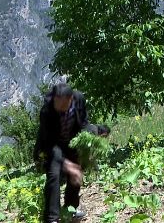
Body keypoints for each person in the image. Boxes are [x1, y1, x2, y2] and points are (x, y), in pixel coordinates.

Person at [34, 83, 110, 223]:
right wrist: (65, 164)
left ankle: (71, 209)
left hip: (73, 140)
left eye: (63, 105)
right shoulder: (47, 110)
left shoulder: (79, 99)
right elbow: (48, 142)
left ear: (70, 100)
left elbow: (83, 123)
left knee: (76, 172)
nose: (59, 108)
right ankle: (52, 218)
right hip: (53, 144)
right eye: (57, 104)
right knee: (54, 174)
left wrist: (89, 144)